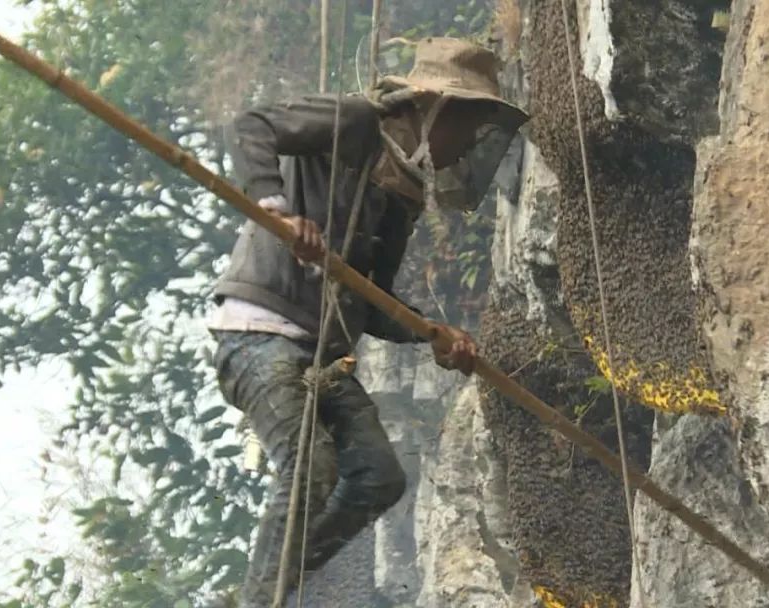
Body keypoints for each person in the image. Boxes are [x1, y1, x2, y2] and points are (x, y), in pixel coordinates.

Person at [206, 37, 528, 607]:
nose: (470, 143)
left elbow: (373, 299)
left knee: (380, 476)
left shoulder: (402, 192)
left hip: (319, 352)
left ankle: (269, 585)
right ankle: (261, 600)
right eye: (469, 125)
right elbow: (251, 126)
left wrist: (432, 334)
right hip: (260, 330)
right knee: (310, 469)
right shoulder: (354, 121)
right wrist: (278, 211)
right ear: (435, 109)